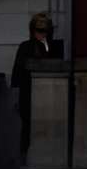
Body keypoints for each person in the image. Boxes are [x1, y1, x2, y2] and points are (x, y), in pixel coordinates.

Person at [9, 13, 62, 156]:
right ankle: (26, 155)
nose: (41, 34)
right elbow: (17, 73)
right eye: (38, 30)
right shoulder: (26, 47)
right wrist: (15, 96)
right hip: (29, 94)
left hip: (49, 94)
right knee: (28, 128)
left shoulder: (55, 47)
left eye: (44, 30)